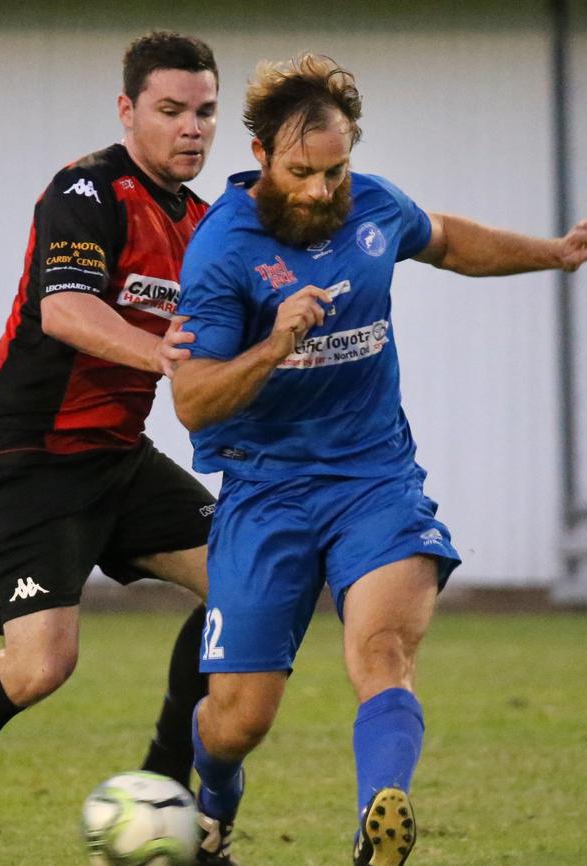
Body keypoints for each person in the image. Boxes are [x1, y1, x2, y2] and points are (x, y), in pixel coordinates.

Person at [168, 54, 587, 865]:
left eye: (337, 169)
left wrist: (557, 253)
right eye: (302, 173)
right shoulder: (222, 252)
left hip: (375, 480)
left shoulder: (371, 204)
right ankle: (213, 802)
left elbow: (448, 240)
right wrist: (275, 343)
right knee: (239, 718)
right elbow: (193, 399)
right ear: (259, 157)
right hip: (266, 489)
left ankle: (378, 821)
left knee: (383, 653)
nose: (324, 191)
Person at [0, 30, 227, 865]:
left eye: (204, 111)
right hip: (23, 457)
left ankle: (169, 799)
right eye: (171, 110)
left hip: (116, 458)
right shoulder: (87, 191)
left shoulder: (205, 223)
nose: (190, 129)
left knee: (247, 580)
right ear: (128, 110)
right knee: (39, 665)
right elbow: (65, 312)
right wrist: (164, 352)